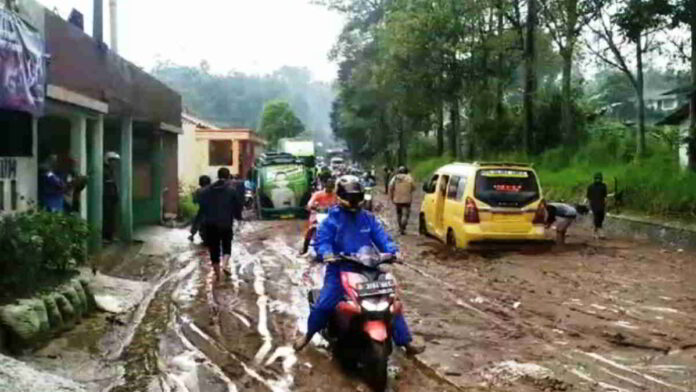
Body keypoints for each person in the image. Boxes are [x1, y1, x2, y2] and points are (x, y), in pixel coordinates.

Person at [293, 175, 424, 356]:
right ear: (341, 197)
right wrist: (327, 253)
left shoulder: (368, 218)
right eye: (350, 198)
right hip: (340, 269)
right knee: (324, 305)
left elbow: (382, 238)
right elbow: (323, 242)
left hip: (369, 267)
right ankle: (308, 335)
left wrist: (393, 252)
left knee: (391, 302)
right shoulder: (332, 220)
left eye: (356, 198)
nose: (354, 202)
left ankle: (406, 342)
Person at [198, 167, 244, 282]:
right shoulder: (232, 190)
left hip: (210, 224)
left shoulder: (206, 191)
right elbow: (237, 207)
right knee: (226, 245)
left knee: (214, 249)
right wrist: (238, 217)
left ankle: (218, 276)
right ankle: (225, 265)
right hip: (226, 224)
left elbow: (202, 208)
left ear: (218, 176)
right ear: (228, 176)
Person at [300, 177, 338, 255]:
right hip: (318, 214)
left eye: (331, 188)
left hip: (331, 215)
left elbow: (340, 204)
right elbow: (310, 203)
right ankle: (305, 249)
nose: (330, 189)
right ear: (325, 186)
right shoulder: (318, 194)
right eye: (328, 187)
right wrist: (311, 206)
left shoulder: (336, 195)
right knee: (310, 229)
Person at [389, 166, 416, 235]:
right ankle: (403, 227)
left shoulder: (395, 178)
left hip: (397, 199)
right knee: (406, 214)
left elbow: (391, 187)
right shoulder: (409, 178)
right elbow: (413, 187)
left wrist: (391, 197)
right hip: (407, 200)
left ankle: (400, 228)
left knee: (399, 214)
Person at [103, 152, 120, 242]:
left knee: (112, 218)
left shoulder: (111, 171)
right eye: (113, 161)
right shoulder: (104, 171)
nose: (115, 163)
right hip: (106, 199)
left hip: (112, 199)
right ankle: (106, 237)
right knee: (107, 218)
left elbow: (113, 185)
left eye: (115, 161)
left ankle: (110, 236)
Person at [189, 175, 212, 242]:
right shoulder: (213, 189)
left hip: (203, 210)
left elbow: (195, 201)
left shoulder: (198, 191)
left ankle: (192, 235)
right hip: (214, 211)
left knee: (197, 220)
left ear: (200, 182)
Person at [586, 172, 608, 239]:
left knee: (601, 217)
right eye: (597, 178)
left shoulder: (603, 186)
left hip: (601, 203)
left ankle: (597, 230)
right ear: (594, 179)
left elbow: (605, 196)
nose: (598, 180)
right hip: (594, 204)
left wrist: (605, 202)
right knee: (596, 217)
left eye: (599, 178)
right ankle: (597, 232)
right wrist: (589, 204)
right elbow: (588, 196)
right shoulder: (590, 186)